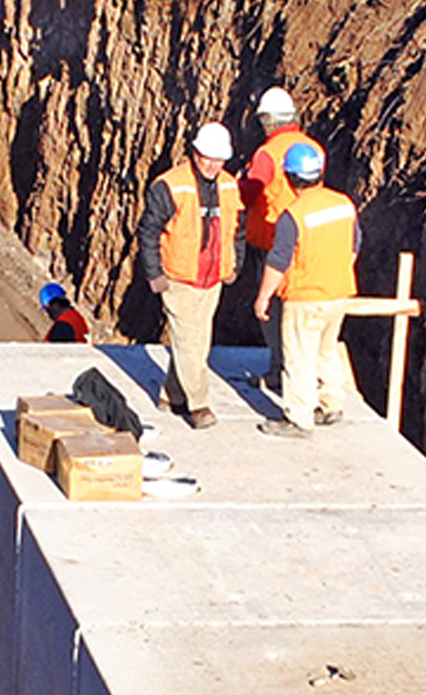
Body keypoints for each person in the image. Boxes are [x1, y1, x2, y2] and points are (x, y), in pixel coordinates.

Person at [251, 141, 360, 439]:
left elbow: (278, 261)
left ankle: (299, 418)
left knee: (298, 357)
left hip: (304, 297)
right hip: (338, 293)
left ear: (289, 177)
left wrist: (263, 297)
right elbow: (354, 246)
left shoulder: (294, 215)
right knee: (327, 350)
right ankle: (330, 404)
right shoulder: (343, 204)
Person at [137, 122, 241, 428]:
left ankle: (171, 396)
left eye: (219, 159)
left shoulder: (229, 186)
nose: (212, 165)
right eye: (207, 157)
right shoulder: (169, 186)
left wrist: (235, 264)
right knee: (190, 342)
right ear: (194, 153)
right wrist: (154, 273)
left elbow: (238, 229)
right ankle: (199, 405)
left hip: (212, 277)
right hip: (179, 277)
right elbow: (149, 231)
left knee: (195, 340)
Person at [237, 86, 323, 389]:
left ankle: (279, 369)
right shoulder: (313, 148)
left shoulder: (267, 154)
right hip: (309, 243)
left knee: (273, 310)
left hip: (273, 240)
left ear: (268, 121)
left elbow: (249, 194)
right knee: (299, 308)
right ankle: (299, 370)